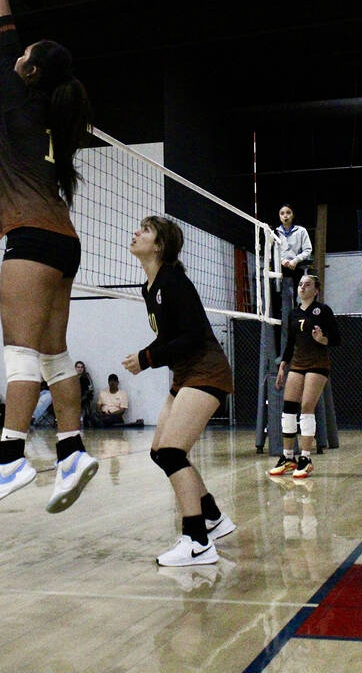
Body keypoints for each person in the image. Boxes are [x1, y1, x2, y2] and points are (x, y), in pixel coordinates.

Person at [0, 0, 98, 513]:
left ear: (30, 72)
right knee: (55, 354)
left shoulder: (18, 101)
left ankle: (10, 460)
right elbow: (9, 48)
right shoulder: (46, 108)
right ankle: (72, 450)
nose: (15, 60)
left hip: (32, 240)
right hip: (64, 243)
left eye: (24, 58)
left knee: (21, 354)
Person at [122, 215, 237, 567]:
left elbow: (188, 337)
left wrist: (148, 358)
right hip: (185, 373)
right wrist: (148, 354)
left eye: (145, 230)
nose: (136, 232)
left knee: (173, 453)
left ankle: (197, 541)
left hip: (206, 369)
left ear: (159, 245)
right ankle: (213, 517)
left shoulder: (174, 280)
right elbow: (168, 336)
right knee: (160, 452)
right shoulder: (150, 287)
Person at [268, 274, 341, 480]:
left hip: (317, 364)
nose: (302, 287)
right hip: (297, 363)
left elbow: (336, 339)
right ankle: (288, 457)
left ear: (316, 290)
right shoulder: (293, 313)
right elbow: (290, 342)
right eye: (300, 284)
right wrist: (283, 364)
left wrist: (322, 338)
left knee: (307, 407)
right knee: (289, 407)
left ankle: (306, 459)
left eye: (307, 285)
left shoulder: (323, 311)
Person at [274, 203, 313, 321]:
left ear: (293, 215)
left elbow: (308, 250)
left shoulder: (301, 231)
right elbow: (271, 252)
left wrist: (295, 260)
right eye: (282, 213)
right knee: (282, 301)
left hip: (297, 268)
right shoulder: (274, 233)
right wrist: (282, 261)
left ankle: (301, 320)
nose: (285, 216)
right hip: (280, 270)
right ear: (279, 216)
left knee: (300, 297)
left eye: (288, 213)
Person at [75, 360, 96, 427]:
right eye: (78, 367)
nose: (80, 369)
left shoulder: (85, 378)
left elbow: (89, 390)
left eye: (81, 367)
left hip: (83, 397)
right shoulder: (72, 378)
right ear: (75, 368)